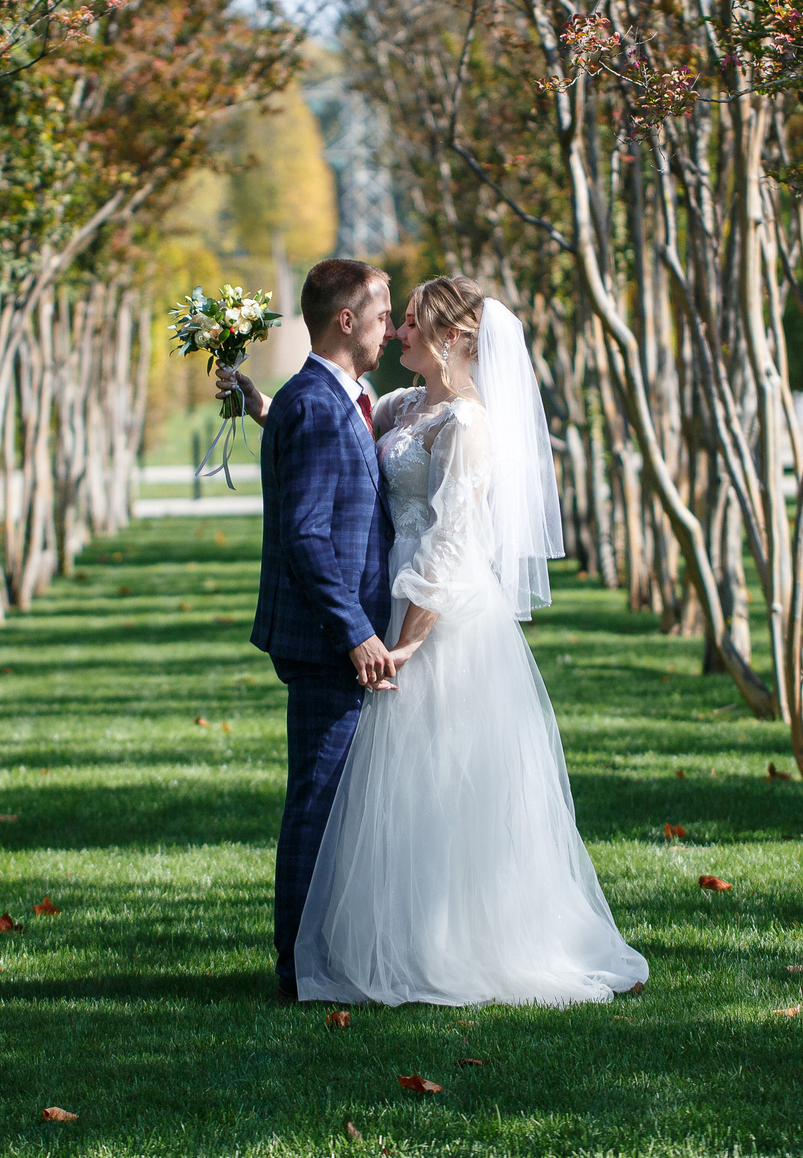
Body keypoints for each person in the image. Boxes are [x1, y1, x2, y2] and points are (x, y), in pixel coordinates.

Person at [224, 275, 648, 1006]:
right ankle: (385, 939)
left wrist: (409, 640)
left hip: (438, 623)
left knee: (441, 787)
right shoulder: (404, 406)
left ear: (453, 338)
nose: (398, 333)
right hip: (387, 614)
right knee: (389, 793)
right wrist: (265, 407)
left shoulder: (471, 426)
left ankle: (455, 941)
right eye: (397, 319)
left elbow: (451, 543)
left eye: (412, 322)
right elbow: (337, 438)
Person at [249, 257, 399, 1000]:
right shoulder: (317, 400)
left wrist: (256, 405)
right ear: (347, 320)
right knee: (317, 797)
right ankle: (298, 966)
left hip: (334, 637)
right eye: (382, 315)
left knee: (333, 797)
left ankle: (321, 951)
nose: (391, 329)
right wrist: (355, 634)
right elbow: (308, 536)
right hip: (324, 642)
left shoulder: (331, 397)